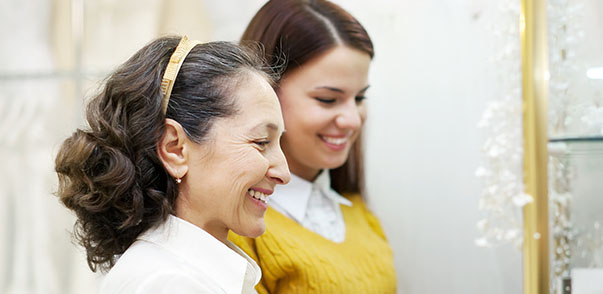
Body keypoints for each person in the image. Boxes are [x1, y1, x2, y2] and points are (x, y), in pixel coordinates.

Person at [54, 35, 290, 294]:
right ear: (174, 148)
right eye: (260, 142)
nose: (283, 172)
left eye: (279, 143)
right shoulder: (167, 282)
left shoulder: (191, 274)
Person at [227, 0, 397, 293]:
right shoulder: (238, 229)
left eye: (359, 98)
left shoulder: (356, 212)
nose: (353, 119)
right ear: (264, 93)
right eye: (328, 100)